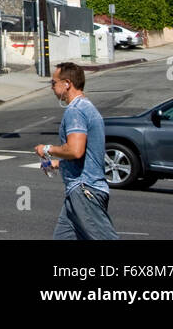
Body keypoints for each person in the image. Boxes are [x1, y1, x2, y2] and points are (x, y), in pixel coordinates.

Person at [34, 62, 118, 240]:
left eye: (53, 83)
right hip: (77, 191)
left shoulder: (76, 110)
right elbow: (84, 154)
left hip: (85, 190)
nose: (52, 87)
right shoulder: (86, 108)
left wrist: (47, 149)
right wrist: (57, 164)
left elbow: (75, 150)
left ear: (67, 83)